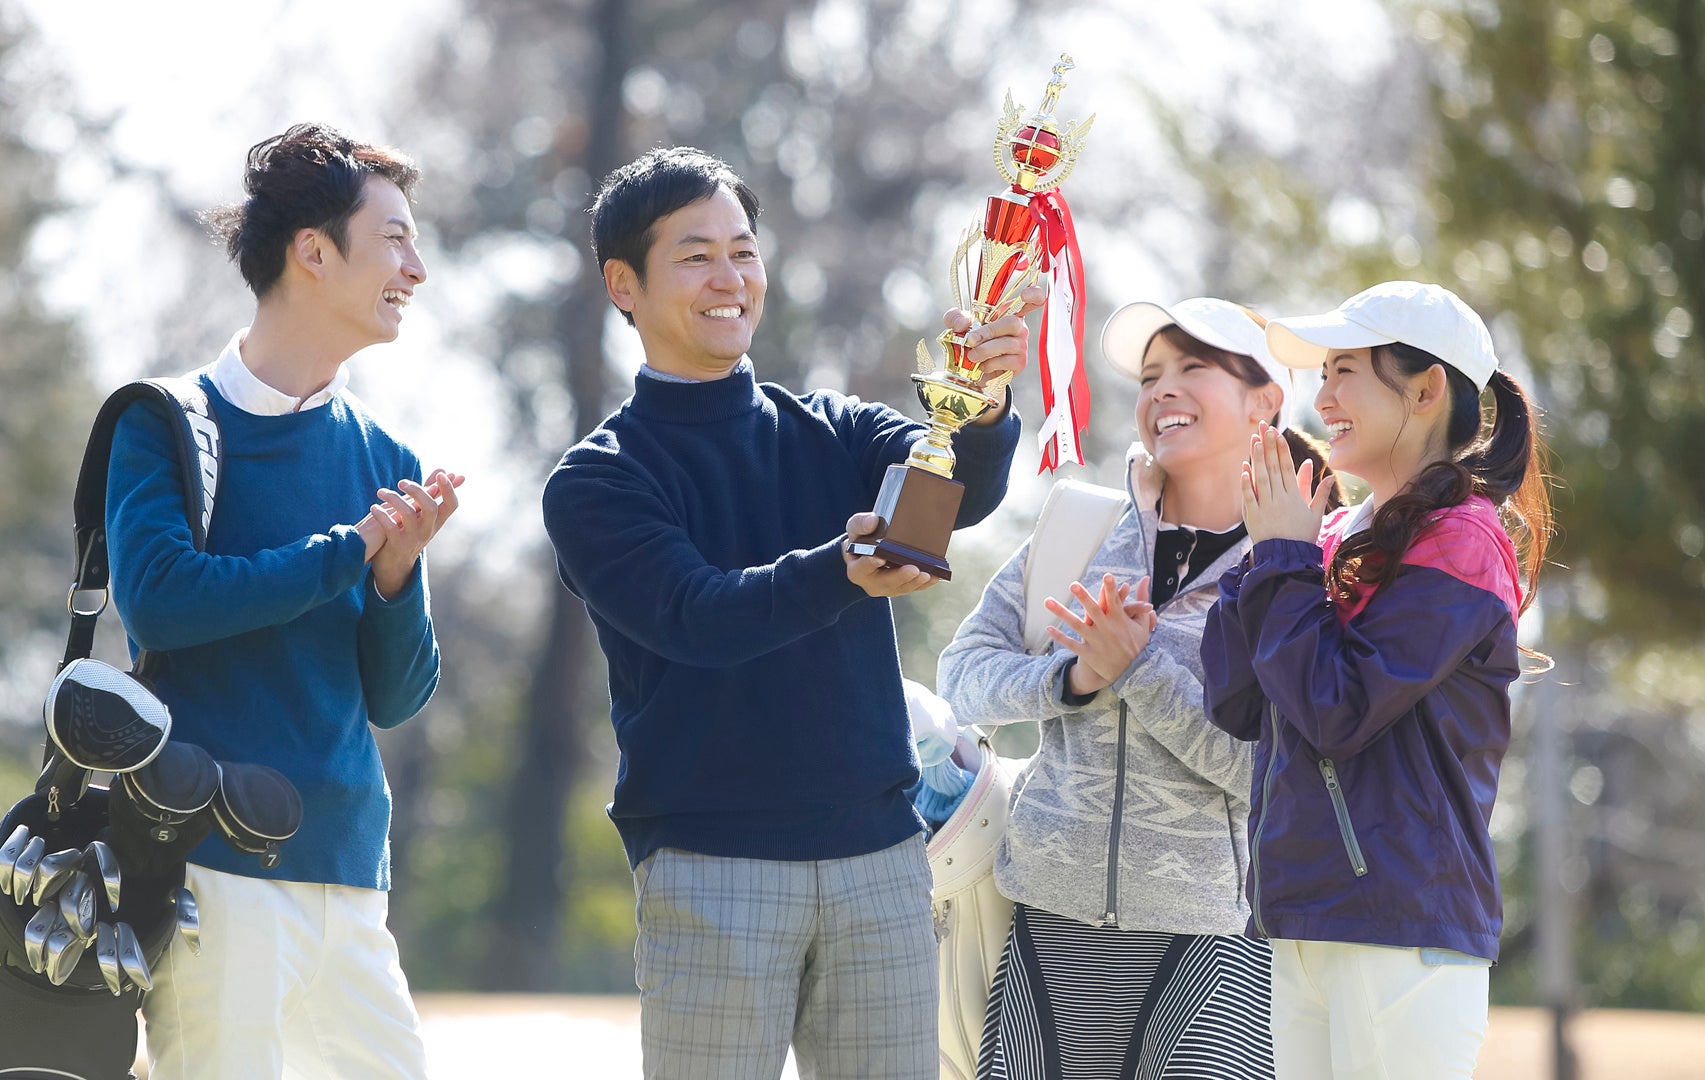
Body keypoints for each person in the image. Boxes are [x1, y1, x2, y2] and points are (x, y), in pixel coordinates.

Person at [541, 145, 1037, 1080]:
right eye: (695, 256)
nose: (729, 278)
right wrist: (838, 571)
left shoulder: (836, 429)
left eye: (742, 251)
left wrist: (982, 408)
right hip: (710, 863)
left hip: (882, 859)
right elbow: (695, 616)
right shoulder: (597, 479)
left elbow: (954, 496)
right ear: (623, 283)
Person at [111, 123, 462, 1078]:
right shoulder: (163, 422)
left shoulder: (386, 458)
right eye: (394, 239)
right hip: (212, 867)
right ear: (313, 250)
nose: (416, 268)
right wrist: (347, 552)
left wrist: (393, 581)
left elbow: (396, 697)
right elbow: (160, 601)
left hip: (350, 872)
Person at [939, 297, 1334, 1079]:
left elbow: (1276, 776)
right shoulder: (1078, 529)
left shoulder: (1301, 571)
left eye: (1193, 367)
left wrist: (1138, 671)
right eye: (1150, 376)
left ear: (1264, 401)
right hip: (1046, 927)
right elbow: (961, 678)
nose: (1162, 390)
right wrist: (1072, 678)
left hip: (1215, 948)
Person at [1202, 280, 1552, 1079]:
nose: (1321, 398)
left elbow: (1340, 708)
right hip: (1303, 920)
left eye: (1344, 372)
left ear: (1425, 391)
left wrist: (1285, 559)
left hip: (1402, 925)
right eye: (1322, 374)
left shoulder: (1462, 538)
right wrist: (1260, 553)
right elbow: (1238, 701)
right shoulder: (1328, 535)